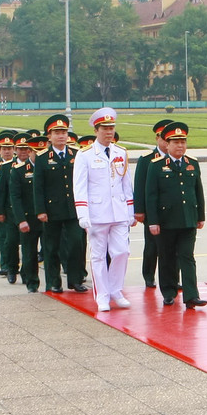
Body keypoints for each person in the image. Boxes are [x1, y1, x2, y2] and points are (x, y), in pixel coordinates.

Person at [73, 107, 135, 313]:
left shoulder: (121, 153)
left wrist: (130, 210)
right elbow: (80, 186)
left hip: (118, 211)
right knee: (98, 256)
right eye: (105, 128)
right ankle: (102, 295)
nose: (109, 132)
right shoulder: (85, 155)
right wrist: (82, 213)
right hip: (97, 213)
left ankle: (116, 290)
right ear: (96, 130)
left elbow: (127, 184)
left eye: (111, 128)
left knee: (122, 252)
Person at [145, 121, 207, 309]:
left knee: (187, 257)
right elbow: (151, 195)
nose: (180, 146)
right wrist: (153, 221)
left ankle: (191, 296)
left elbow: (198, 191)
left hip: (188, 219)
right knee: (167, 257)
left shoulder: (192, 164)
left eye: (183, 142)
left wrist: (200, 216)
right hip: (166, 221)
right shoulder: (156, 166)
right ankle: (169, 292)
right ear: (167, 144)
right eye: (175, 142)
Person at [33, 114, 87, 294]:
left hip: (73, 209)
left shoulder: (76, 154)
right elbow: (38, 187)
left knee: (75, 244)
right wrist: (40, 210)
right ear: (49, 136)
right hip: (51, 209)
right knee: (51, 247)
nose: (61, 136)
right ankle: (53, 282)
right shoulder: (42, 158)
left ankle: (75, 280)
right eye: (56, 132)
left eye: (64, 132)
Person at [133, 119, 172, 288]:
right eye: (164, 139)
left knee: (173, 248)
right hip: (152, 211)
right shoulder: (147, 159)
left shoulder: (179, 158)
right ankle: (149, 275)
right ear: (157, 138)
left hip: (172, 211)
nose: (166, 143)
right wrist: (139, 210)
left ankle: (172, 278)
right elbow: (140, 185)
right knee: (152, 246)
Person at [9, 135, 46, 293]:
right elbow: (15, 198)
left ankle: (52, 283)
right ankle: (32, 282)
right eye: (35, 152)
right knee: (29, 252)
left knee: (50, 252)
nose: (38, 155)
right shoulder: (19, 171)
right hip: (28, 218)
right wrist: (20, 220)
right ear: (30, 152)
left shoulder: (49, 168)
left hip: (47, 218)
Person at [0, 132, 20, 283]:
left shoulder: (18, 165)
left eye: (9, 148)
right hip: (5, 209)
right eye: (4, 148)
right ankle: (6, 265)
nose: (7, 151)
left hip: (19, 209)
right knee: (6, 239)